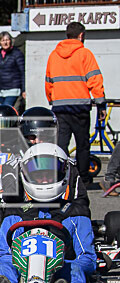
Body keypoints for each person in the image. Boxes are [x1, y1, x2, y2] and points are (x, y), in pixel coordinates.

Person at [0, 143, 95, 283]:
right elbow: (4, 254)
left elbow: (87, 259)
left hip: (60, 274)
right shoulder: (16, 212)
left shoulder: (74, 213)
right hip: (23, 273)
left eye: (50, 176)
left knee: (75, 269)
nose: (45, 181)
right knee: (4, 267)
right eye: (39, 176)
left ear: (64, 175)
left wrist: (59, 264)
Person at [46, 21, 106, 184]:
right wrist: (101, 104)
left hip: (60, 107)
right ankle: (84, 179)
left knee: (61, 144)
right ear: (81, 35)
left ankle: (60, 177)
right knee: (82, 144)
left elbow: (48, 82)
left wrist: (53, 100)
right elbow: (95, 80)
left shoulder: (54, 55)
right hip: (79, 107)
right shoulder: (85, 54)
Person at [0, 32, 26, 108]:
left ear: (10, 41)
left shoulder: (17, 53)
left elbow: (22, 72)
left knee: (6, 109)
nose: (5, 42)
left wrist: (24, 89)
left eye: (7, 40)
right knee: (5, 111)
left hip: (13, 88)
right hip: (1, 89)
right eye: (3, 40)